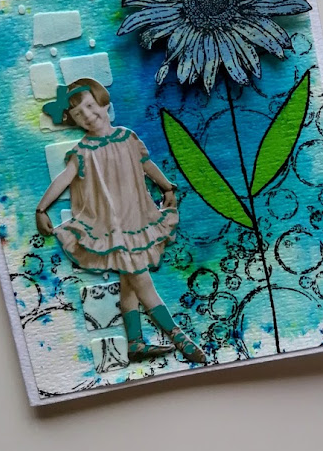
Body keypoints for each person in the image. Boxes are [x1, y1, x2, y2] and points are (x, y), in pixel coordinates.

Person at [36, 77, 206, 364]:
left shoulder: (127, 138)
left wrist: (167, 188)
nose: (87, 115)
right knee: (142, 281)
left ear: (103, 103)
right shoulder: (82, 152)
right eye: (78, 113)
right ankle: (179, 338)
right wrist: (41, 209)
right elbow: (63, 179)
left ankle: (135, 343)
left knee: (130, 282)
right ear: (73, 120)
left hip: (137, 222)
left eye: (90, 106)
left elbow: (146, 164)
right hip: (111, 229)